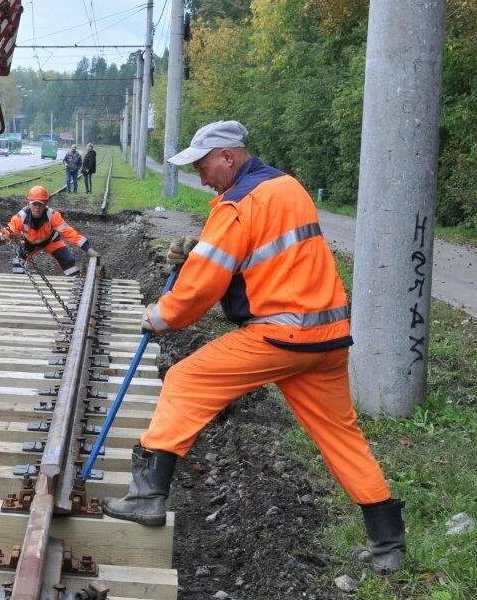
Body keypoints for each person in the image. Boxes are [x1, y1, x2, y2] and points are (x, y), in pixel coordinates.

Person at [103, 120, 405, 575]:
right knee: (340, 435)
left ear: (228, 155)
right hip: (326, 337)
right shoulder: (287, 187)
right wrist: (202, 247)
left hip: (282, 333)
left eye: (204, 165)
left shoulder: (239, 203)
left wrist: (159, 316)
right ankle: (388, 543)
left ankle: (147, 495)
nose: (202, 176)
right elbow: (263, 256)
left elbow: (202, 286)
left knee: (185, 379)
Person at [0, 185, 96, 278]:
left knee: (68, 260)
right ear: (29, 203)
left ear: (46, 204)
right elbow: (11, 228)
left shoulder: (52, 215)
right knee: (19, 256)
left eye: (40, 204)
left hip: (51, 241)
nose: (37, 208)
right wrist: (2, 236)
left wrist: (87, 248)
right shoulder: (21, 216)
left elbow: (68, 232)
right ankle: (18, 282)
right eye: (34, 204)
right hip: (29, 242)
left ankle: (75, 281)